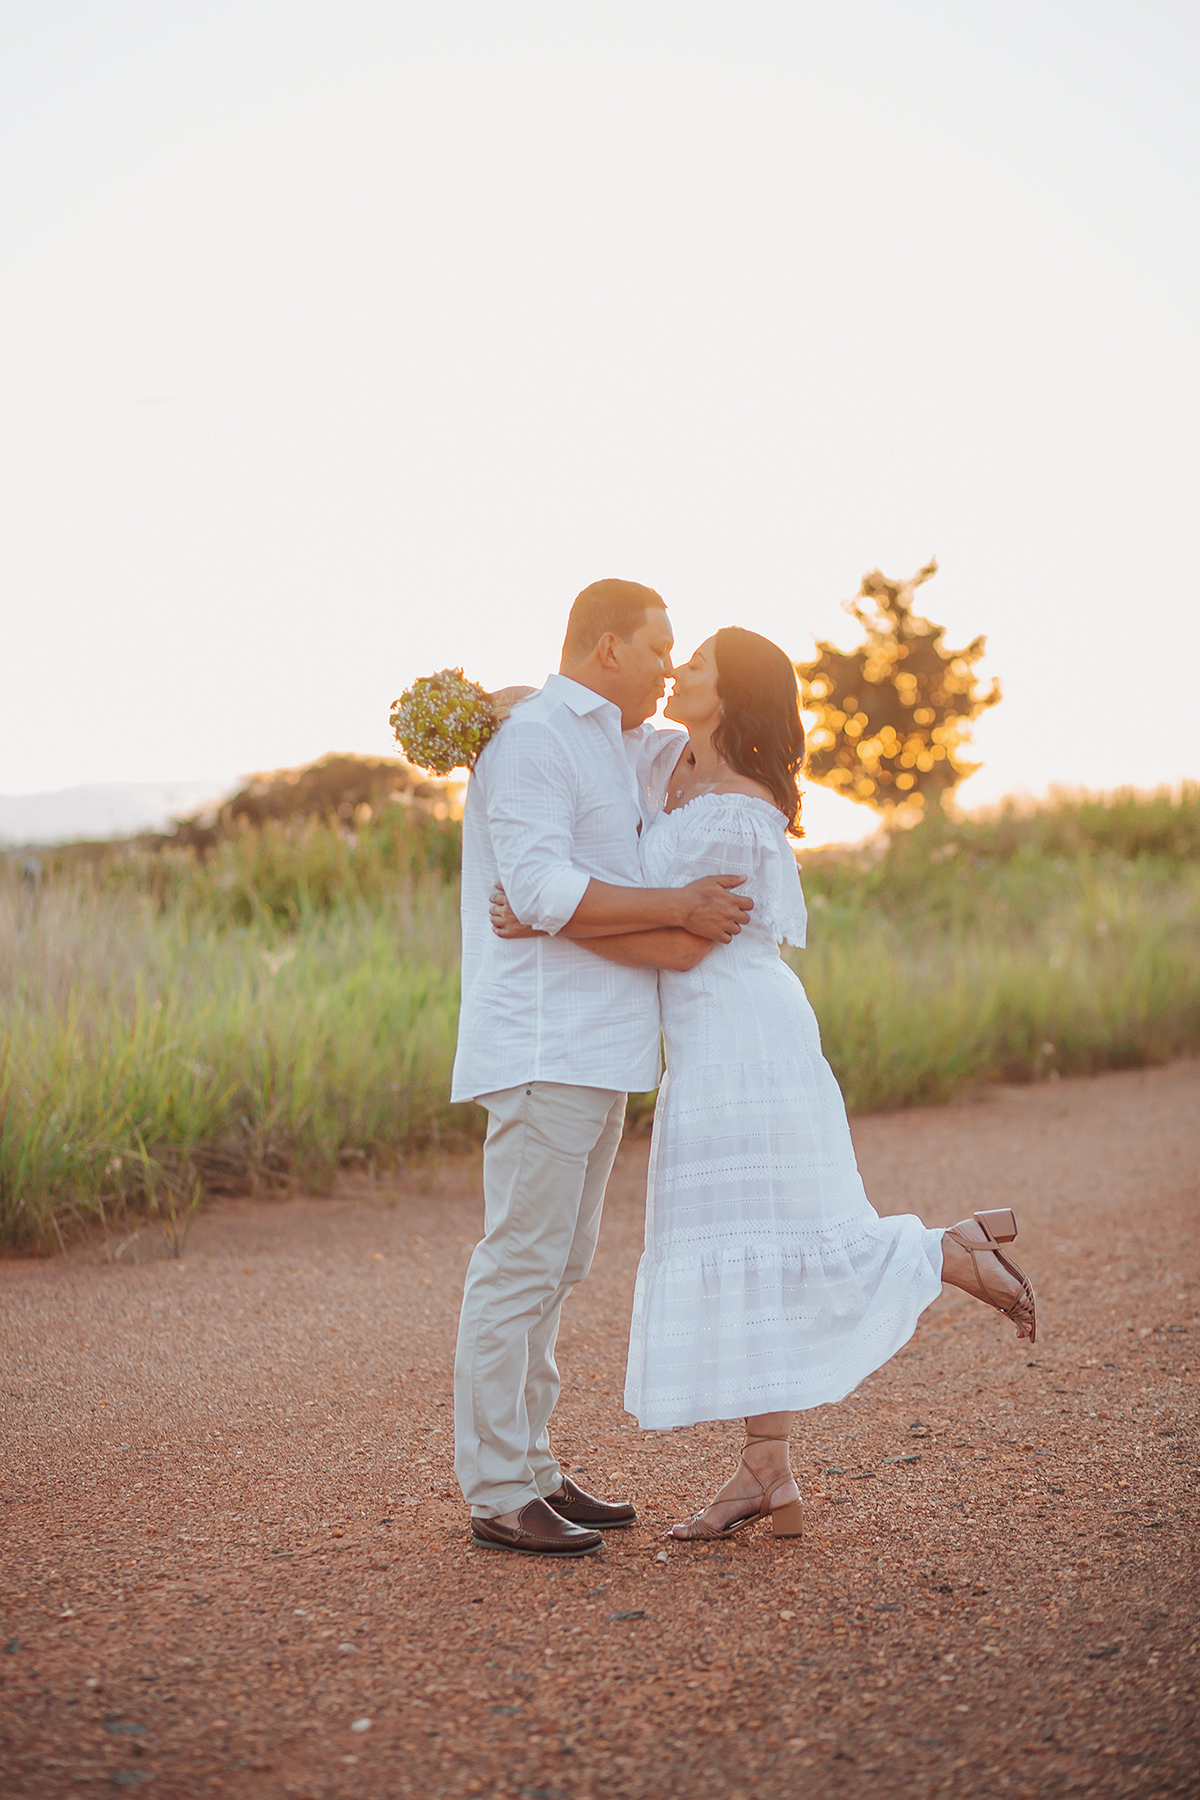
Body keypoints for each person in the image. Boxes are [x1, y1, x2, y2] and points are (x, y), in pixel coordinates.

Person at [493, 626, 1037, 1540]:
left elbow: (679, 943)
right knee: (753, 1239)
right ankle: (767, 1471)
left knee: (778, 1235)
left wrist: (551, 921)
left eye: (694, 665)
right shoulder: (669, 764)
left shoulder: (741, 809)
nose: (674, 673)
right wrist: (494, 709)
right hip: (703, 1040)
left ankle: (942, 1251)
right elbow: (579, 724)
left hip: (747, 1035)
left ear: (728, 692)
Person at [451, 578, 745, 1557]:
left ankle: (533, 1466)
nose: (672, 665)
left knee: (558, 1266)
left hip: (602, 1049)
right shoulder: (540, 737)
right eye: (660, 647)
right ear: (607, 646)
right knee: (519, 1265)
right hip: (546, 1044)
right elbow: (534, 889)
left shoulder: (621, 741)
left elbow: (717, 745)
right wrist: (676, 911)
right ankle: (498, 1489)